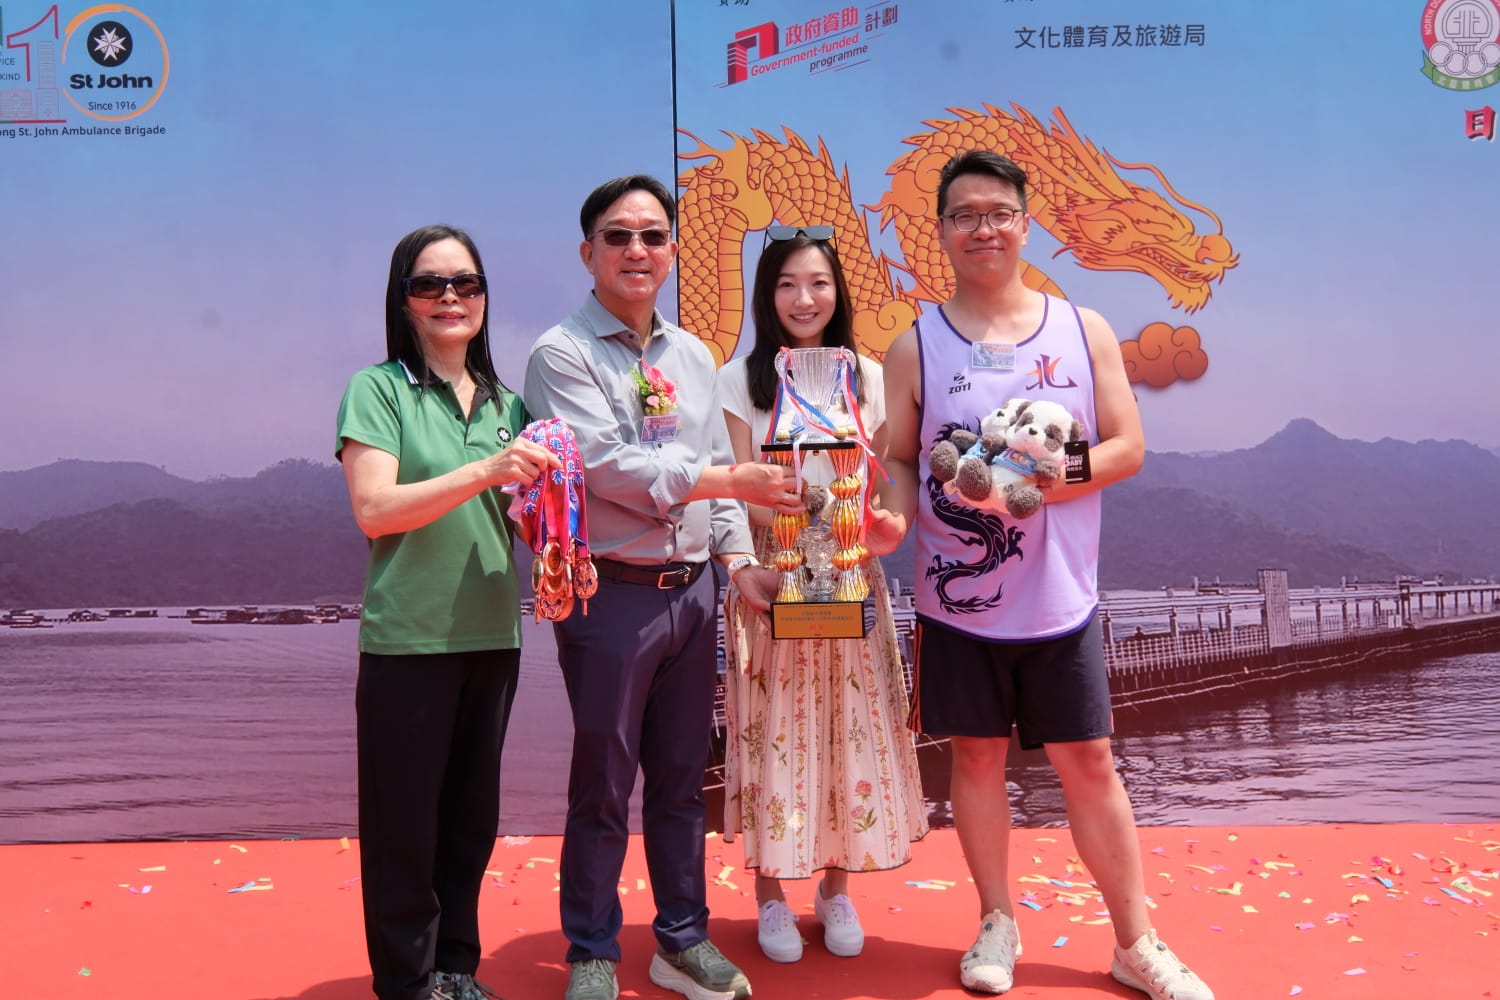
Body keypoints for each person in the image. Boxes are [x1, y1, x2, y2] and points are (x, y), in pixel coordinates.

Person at [868, 151, 1215, 1000]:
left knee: (1090, 761)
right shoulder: (915, 345)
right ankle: (997, 920)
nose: (982, 228)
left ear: (1026, 224)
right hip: (957, 598)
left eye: (998, 212)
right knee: (976, 758)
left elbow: (1129, 446)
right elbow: (901, 460)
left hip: (1061, 598)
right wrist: (893, 519)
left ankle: (1135, 941)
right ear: (940, 231)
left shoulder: (1083, 329)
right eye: (964, 215)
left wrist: (1050, 477)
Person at [522, 175, 800, 1000]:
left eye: (652, 236)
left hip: (691, 593)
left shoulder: (692, 356)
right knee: (604, 781)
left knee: (682, 781)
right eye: (618, 236)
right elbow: (605, 467)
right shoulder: (561, 353)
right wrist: (724, 480)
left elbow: (714, 471)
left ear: (673, 250)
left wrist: (738, 562)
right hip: (610, 595)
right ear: (588, 253)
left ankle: (681, 939)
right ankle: (592, 951)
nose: (636, 250)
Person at [336, 224, 562, 1000]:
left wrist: (559, 529)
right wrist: (486, 469)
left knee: (470, 822)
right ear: (404, 300)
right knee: (404, 825)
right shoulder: (379, 390)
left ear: (484, 297)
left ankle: (456, 969)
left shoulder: (509, 404)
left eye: (465, 283)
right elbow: (374, 509)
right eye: (429, 284)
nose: (449, 297)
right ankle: (406, 983)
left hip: (492, 637)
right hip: (408, 640)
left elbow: (525, 521)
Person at [715, 227, 927, 964]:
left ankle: (837, 888)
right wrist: (749, 562)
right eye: (786, 285)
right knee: (770, 733)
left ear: (839, 293)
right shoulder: (737, 382)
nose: (804, 299)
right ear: (765, 296)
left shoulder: (868, 378)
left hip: (847, 575)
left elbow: (888, 476)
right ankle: (770, 893)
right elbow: (730, 491)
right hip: (773, 581)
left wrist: (885, 522)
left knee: (846, 733)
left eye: (818, 283)